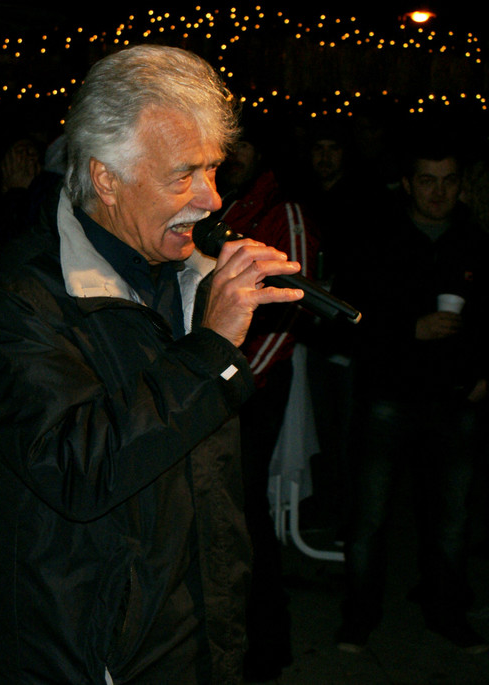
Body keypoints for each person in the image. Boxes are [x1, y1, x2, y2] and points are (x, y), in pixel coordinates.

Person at [0, 44, 305, 684]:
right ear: (107, 178)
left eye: (213, 169)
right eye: (183, 175)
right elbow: (79, 470)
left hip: (196, 645)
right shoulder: (13, 303)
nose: (211, 198)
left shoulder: (191, 279)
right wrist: (212, 347)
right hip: (88, 658)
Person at [335, 139, 489, 655]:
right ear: (407, 184)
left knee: (451, 519)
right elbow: (348, 317)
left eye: (448, 180)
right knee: (369, 518)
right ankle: (359, 618)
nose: (438, 192)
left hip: (456, 399)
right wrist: (409, 329)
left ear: (461, 185)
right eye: (427, 180)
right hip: (389, 396)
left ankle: (448, 614)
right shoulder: (379, 239)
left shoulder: (475, 241)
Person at [215, 122, 318, 681]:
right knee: (230, 511)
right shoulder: (227, 207)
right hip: (225, 380)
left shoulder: (284, 211)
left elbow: (292, 308)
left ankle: (267, 644)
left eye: (244, 146)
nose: (234, 156)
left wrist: (239, 380)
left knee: (248, 512)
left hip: (253, 385)